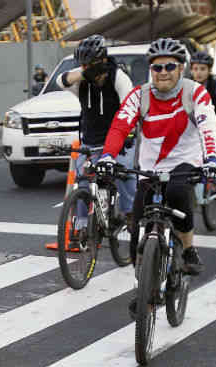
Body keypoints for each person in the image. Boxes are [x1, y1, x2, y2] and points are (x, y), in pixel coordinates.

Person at [96, 37, 216, 316]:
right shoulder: (139, 95)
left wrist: (212, 159)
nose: (163, 72)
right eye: (157, 67)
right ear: (150, 70)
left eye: (169, 66)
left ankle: (187, 250)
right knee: (136, 231)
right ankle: (143, 287)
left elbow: (208, 126)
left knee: (177, 194)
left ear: (181, 68)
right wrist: (107, 157)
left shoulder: (195, 92)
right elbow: (120, 126)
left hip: (185, 163)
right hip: (149, 169)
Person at [57, 34, 137, 231]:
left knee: (124, 175)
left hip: (118, 140)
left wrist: (128, 137)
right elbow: (61, 81)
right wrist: (84, 72)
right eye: (83, 65)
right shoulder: (82, 81)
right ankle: (83, 227)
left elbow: (130, 108)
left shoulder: (118, 77)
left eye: (90, 64)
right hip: (91, 141)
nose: (87, 69)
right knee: (83, 182)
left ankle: (129, 214)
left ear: (103, 60)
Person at [190, 51, 216, 122]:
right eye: (195, 69)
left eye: (202, 69)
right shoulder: (187, 86)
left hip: (214, 124)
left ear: (209, 70)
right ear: (191, 70)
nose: (198, 72)